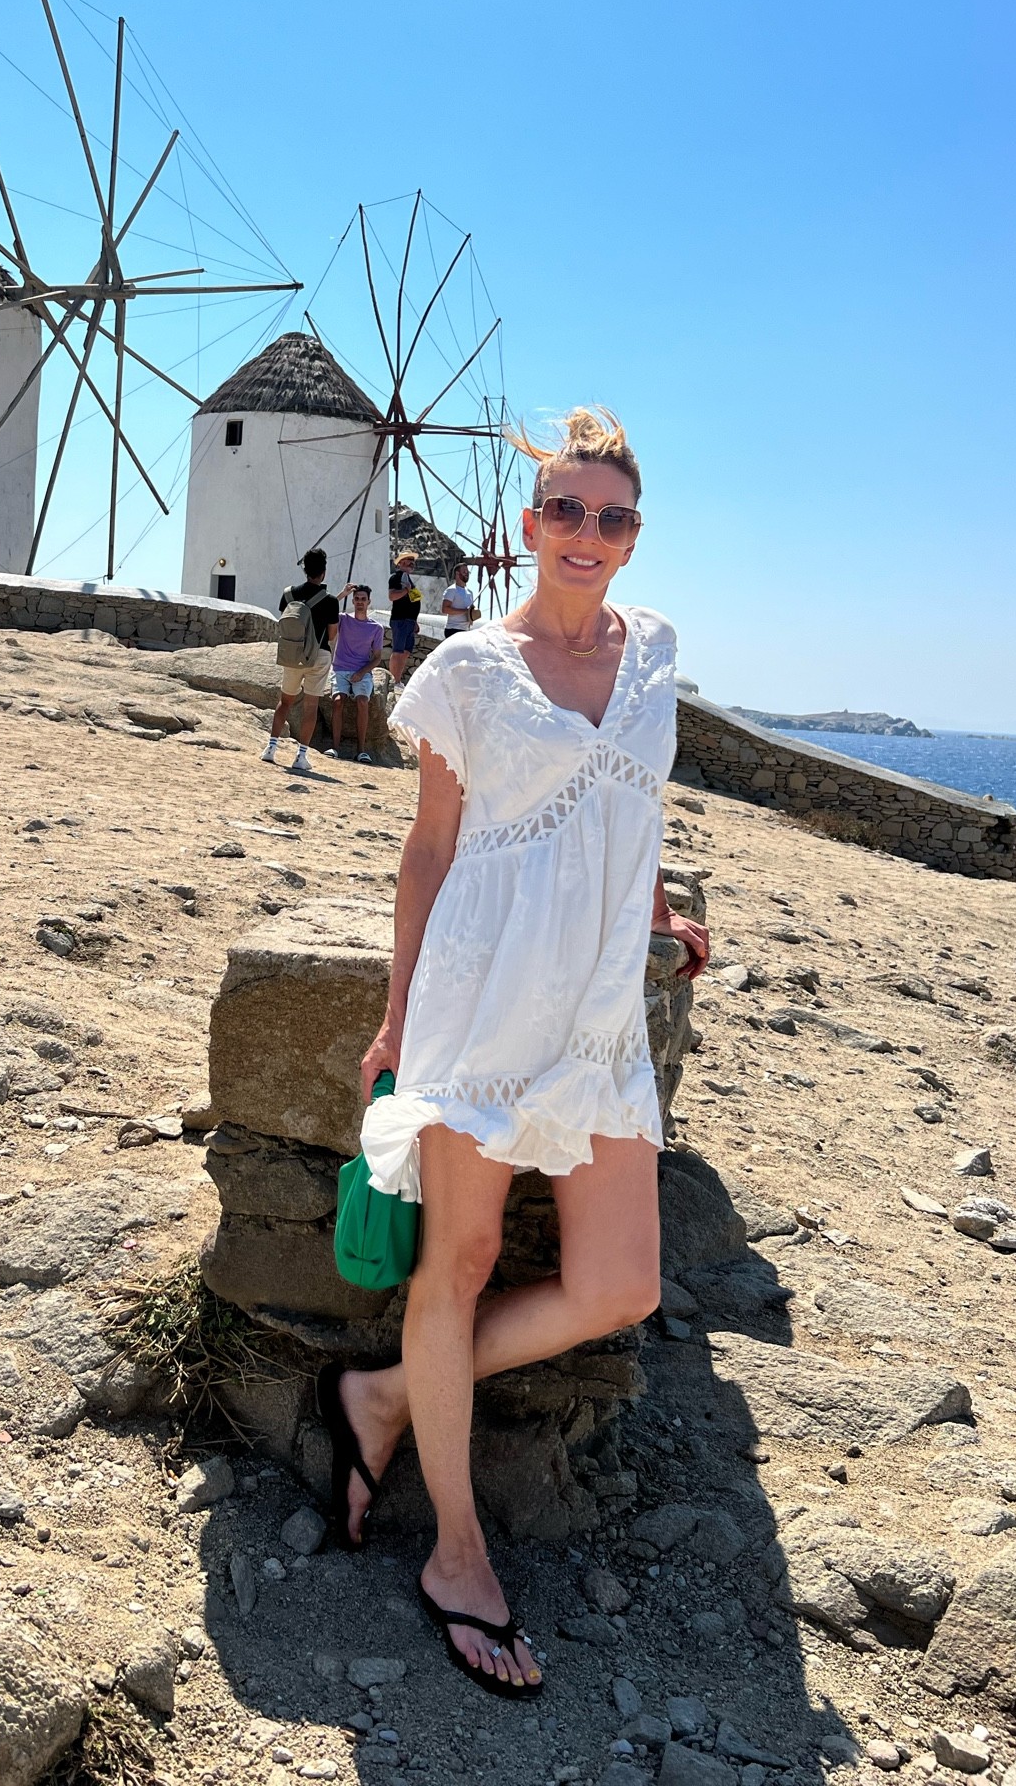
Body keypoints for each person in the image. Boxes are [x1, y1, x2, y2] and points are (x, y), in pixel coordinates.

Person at [315, 408, 708, 1699]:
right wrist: (395, 1011)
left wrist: (653, 913)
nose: (587, 535)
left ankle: (380, 1399)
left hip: (594, 1009)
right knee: (463, 1258)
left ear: (633, 539)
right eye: (565, 512)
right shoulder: (472, 671)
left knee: (620, 1286)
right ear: (528, 527)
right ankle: (460, 1556)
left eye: (612, 518)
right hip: (481, 996)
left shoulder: (653, 653)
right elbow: (431, 848)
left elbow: (626, 801)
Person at [262, 549, 337, 774]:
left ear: (304, 570)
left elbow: (284, 621)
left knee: (285, 701)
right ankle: (301, 755)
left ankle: (271, 748)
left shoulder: (288, 595)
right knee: (310, 706)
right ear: (323, 573)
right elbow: (332, 635)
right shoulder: (331, 601)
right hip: (318, 654)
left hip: (292, 654)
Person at [331, 584, 383, 763]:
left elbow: (377, 657)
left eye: (363, 599)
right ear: (353, 601)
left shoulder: (376, 628)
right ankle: (335, 748)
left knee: (362, 701)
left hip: (362, 672)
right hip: (340, 668)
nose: (360, 602)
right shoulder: (343, 619)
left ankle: (361, 750)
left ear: (369, 602)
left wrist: (361, 673)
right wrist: (342, 593)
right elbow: (325, 608)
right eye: (357, 599)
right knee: (338, 701)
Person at [388, 549, 422, 687]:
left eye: (412, 560)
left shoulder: (408, 580)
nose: (411, 563)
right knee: (398, 651)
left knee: (406, 652)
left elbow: (413, 601)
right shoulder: (396, 578)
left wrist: (414, 620)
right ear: (400, 563)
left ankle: (398, 679)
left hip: (409, 621)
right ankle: (393, 680)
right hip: (400, 619)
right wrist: (406, 591)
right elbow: (392, 596)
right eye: (407, 560)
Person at [441, 563, 479, 637]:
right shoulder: (451, 590)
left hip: (465, 630)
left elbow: (469, 612)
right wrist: (465, 611)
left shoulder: (470, 592)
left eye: (467, 572)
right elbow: (445, 609)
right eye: (464, 571)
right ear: (457, 573)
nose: (467, 574)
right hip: (453, 629)